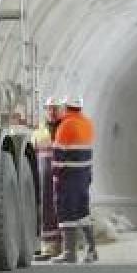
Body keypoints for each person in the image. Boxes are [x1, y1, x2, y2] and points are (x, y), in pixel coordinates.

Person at [52, 96, 96, 263]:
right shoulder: (87, 124)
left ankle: (69, 253)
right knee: (83, 212)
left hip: (69, 177)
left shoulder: (65, 125)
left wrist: (56, 176)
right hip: (84, 176)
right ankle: (92, 250)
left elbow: (58, 156)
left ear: (66, 107)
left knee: (66, 212)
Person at [31, 97, 65, 259]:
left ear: (61, 110)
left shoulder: (65, 128)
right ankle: (49, 246)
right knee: (46, 209)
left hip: (62, 174)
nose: (51, 112)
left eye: (55, 108)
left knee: (63, 208)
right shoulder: (40, 129)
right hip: (44, 175)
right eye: (49, 108)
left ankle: (65, 245)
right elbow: (35, 151)